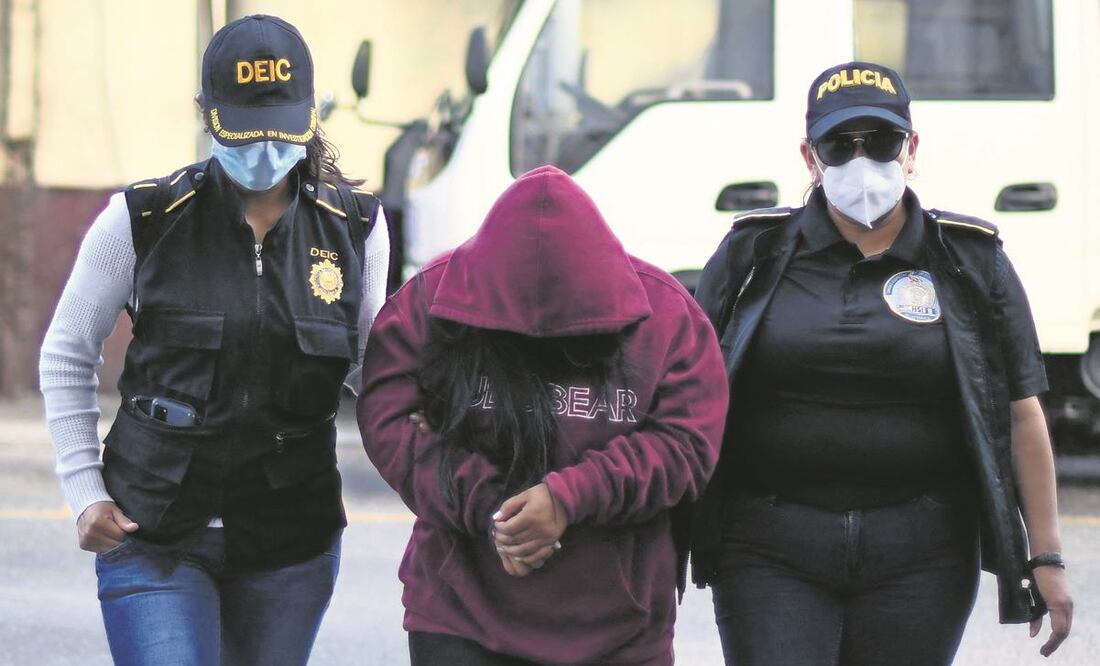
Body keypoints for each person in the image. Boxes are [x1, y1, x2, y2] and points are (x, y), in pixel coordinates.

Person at [691, 61, 1074, 665]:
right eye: (838, 145)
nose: (860, 161)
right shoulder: (753, 255)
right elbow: (682, 395)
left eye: (882, 142)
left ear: (912, 147)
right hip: (767, 548)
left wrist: (1045, 557)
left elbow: (1021, 414)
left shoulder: (970, 262)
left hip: (923, 554)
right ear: (809, 156)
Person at [38, 15, 389, 665]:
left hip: (292, 545)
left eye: (276, 131)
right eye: (242, 130)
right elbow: (66, 351)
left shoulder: (356, 230)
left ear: (309, 115)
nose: (261, 150)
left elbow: (380, 376)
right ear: (207, 115)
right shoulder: (142, 219)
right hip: (154, 531)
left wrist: (446, 483)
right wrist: (84, 490)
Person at [357, 165, 728, 665]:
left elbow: (688, 443)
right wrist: (495, 509)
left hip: (619, 630)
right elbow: (387, 419)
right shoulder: (431, 301)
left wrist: (568, 498)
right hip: (461, 620)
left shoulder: (665, 315)